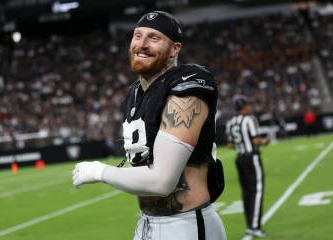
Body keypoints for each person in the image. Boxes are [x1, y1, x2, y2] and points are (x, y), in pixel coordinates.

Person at [72, 11, 226, 240]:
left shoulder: (188, 86)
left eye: (154, 38)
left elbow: (162, 181)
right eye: (137, 36)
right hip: (147, 224)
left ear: (175, 48)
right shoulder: (136, 93)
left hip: (186, 225)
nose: (141, 44)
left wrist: (100, 171)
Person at [225, 95, 269, 238]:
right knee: (257, 191)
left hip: (240, 158)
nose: (249, 107)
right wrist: (265, 141)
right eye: (247, 105)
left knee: (246, 192)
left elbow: (230, 145)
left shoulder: (231, 122)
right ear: (243, 107)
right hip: (251, 157)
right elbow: (256, 141)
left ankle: (250, 224)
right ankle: (255, 226)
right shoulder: (249, 120)